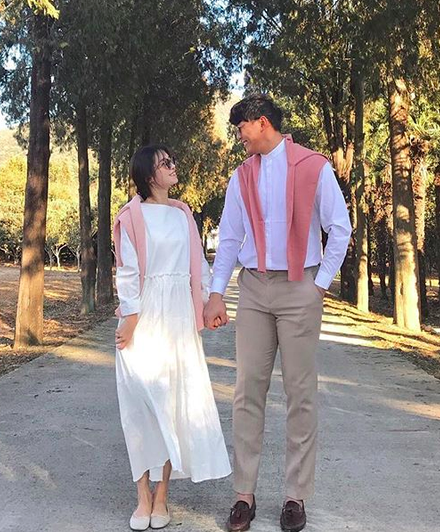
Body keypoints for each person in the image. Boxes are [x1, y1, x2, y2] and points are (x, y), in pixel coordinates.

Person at [204, 96, 351, 532]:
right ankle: (243, 495)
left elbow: (339, 228)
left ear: (262, 123)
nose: (240, 136)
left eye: (242, 128)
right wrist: (216, 293)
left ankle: (294, 496)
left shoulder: (313, 167)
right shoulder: (241, 176)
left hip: (299, 284)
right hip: (253, 288)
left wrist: (319, 284)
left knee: (300, 393)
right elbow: (230, 238)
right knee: (247, 389)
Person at [113, 145, 231, 531]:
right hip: (144, 315)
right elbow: (127, 271)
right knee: (139, 405)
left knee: (171, 402)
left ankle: (161, 495)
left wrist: (209, 302)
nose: (173, 166)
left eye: (171, 161)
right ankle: (141, 495)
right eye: (165, 163)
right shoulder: (130, 216)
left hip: (178, 317)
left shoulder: (183, 215)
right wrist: (130, 316)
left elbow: (198, 266)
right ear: (149, 175)